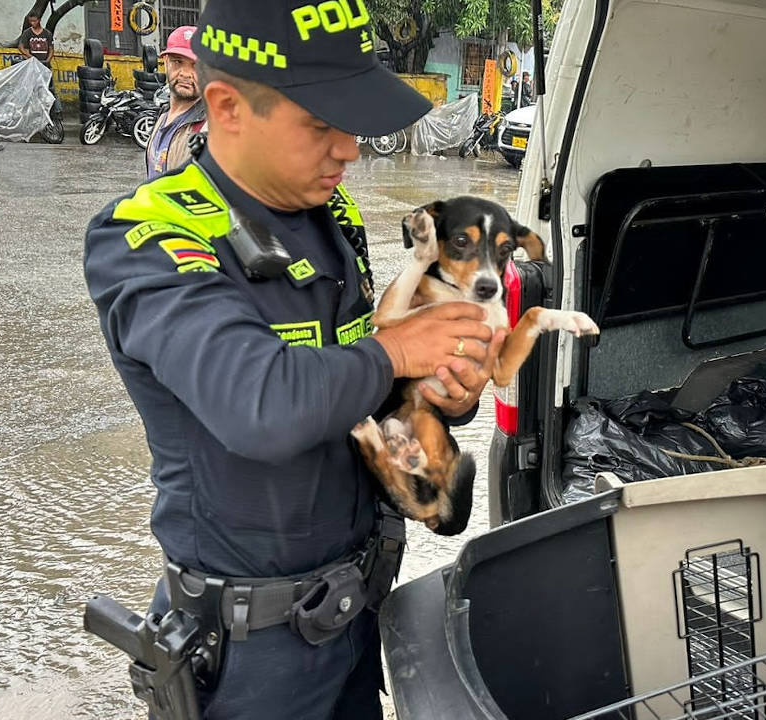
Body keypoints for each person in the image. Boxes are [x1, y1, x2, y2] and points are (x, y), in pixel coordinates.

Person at [82, 0, 507, 717]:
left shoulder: (327, 220)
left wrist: (434, 388)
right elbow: (262, 408)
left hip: (354, 617)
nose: (349, 148)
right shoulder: (148, 236)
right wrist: (397, 347)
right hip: (252, 659)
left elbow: (354, 398)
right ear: (227, 106)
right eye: (321, 124)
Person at [146, 25, 207, 179]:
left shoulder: (209, 127)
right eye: (178, 62)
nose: (186, 73)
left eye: (196, 65)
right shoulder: (162, 117)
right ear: (166, 62)